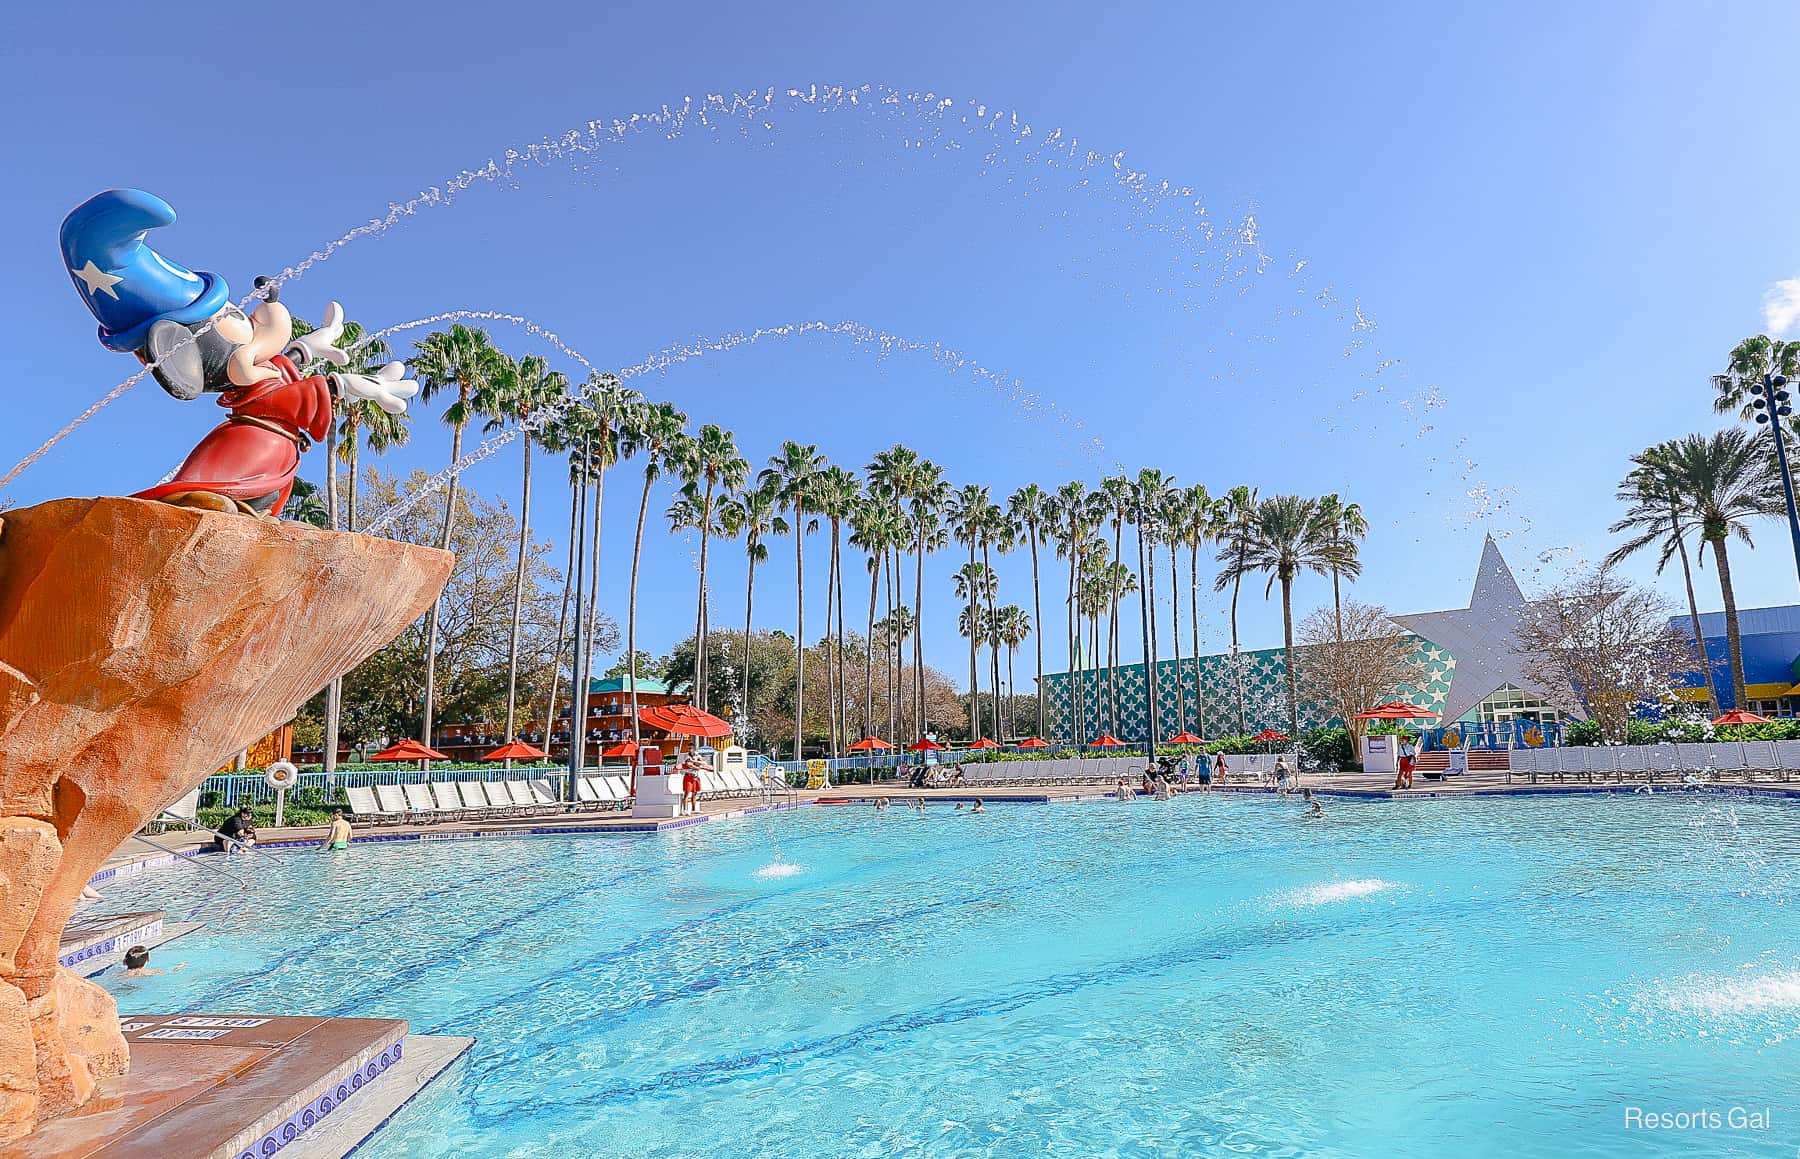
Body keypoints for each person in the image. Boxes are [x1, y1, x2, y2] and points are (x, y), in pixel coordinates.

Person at [118, 946, 183, 978]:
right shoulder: (152, 972)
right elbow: (170, 973)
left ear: (124, 962)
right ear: (148, 959)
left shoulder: (119, 975)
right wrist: (179, 967)